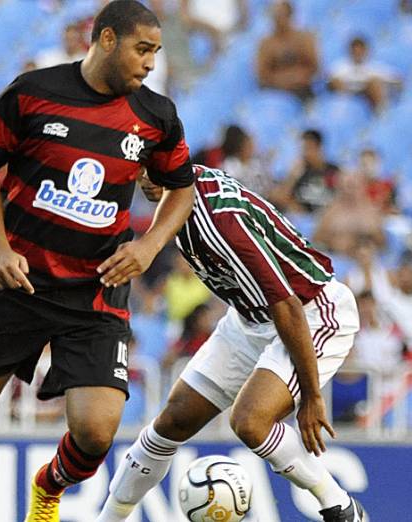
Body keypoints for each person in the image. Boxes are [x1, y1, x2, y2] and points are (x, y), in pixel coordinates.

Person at [0, 2, 195, 521]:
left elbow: (180, 189)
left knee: (96, 432)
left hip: (96, 290)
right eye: (143, 50)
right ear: (106, 40)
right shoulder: (32, 94)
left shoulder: (156, 116)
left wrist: (148, 245)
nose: (149, 64)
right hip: (21, 282)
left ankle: (47, 489)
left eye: (156, 54)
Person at [98, 166, 365, 522]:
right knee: (173, 420)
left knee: (251, 421)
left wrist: (312, 396)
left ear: (175, 159)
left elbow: (287, 307)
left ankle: (342, 510)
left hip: (311, 311)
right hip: (249, 318)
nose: (145, 178)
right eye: (140, 169)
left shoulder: (221, 223)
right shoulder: (175, 201)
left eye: (153, 167)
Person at [256, 1, 320, 100]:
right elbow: (262, 74)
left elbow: (315, 67)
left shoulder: (304, 38)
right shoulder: (266, 44)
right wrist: (280, 80)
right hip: (275, 92)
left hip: (302, 88)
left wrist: (299, 77)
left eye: (281, 15)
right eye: (275, 16)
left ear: (290, 15)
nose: (278, 19)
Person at [271, 129, 341, 216]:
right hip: (301, 220)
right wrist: (293, 177)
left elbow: (341, 200)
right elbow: (279, 200)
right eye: (303, 149)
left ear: (319, 147)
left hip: (325, 218)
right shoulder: (300, 171)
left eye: (308, 148)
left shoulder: (333, 171)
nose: (305, 153)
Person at [327, 36, 401, 112]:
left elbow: (396, 79)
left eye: (360, 51)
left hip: (367, 95)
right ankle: (343, 109)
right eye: (355, 51)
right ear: (350, 51)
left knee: (374, 83)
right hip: (347, 93)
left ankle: (382, 113)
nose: (357, 53)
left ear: (366, 51)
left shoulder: (375, 67)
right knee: (336, 81)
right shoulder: (340, 66)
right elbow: (330, 80)